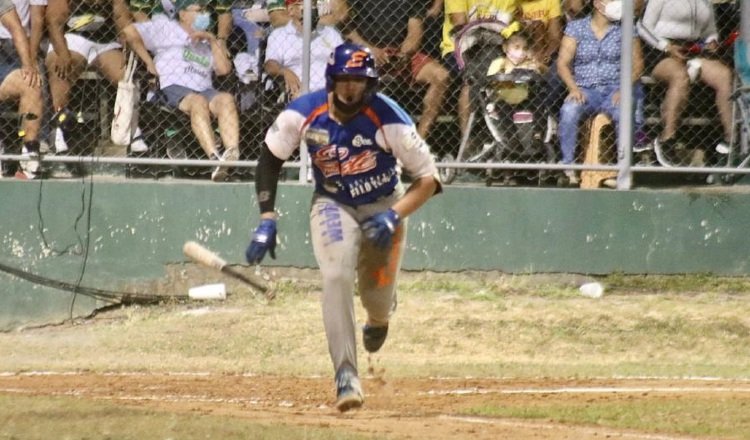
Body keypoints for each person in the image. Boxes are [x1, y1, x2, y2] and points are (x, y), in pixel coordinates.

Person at [245, 43, 441, 412]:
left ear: (371, 84)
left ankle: (380, 315)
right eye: (345, 79)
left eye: (360, 80)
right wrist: (267, 217)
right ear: (331, 80)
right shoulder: (302, 113)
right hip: (332, 203)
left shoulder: (390, 118)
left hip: (384, 204)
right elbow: (269, 160)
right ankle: (346, 374)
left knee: (376, 299)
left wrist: (395, 214)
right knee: (335, 275)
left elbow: (428, 179)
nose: (352, 88)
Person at [122, 0, 241, 181]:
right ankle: (214, 158)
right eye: (199, 10)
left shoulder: (207, 41)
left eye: (205, 11)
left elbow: (224, 70)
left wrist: (211, 39)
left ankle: (232, 155)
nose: (205, 15)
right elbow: (129, 32)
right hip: (173, 87)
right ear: (183, 14)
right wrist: (148, 62)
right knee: (197, 102)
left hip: (204, 89)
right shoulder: (166, 29)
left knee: (226, 99)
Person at [45, 0, 150, 155]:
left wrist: (125, 39)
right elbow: (54, 22)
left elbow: (121, 17)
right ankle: (59, 128)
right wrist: (62, 52)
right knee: (59, 68)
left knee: (127, 75)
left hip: (104, 40)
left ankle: (132, 129)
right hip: (72, 37)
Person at [556, 0, 643, 183]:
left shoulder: (626, 29)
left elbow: (637, 65)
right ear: (598, 3)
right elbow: (563, 63)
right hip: (586, 90)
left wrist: (623, 88)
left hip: (615, 89)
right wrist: (573, 88)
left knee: (624, 111)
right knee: (569, 110)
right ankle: (568, 168)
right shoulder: (576, 28)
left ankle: (623, 169)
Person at [636, 0, 734, 156]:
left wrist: (711, 42)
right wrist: (666, 46)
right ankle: (667, 139)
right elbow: (643, 27)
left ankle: (732, 139)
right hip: (661, 48)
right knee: (679, 76)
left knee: (724, 75)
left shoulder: (704, 2)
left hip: (693, 48)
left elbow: (710, 30)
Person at [344, 0, 449, 140]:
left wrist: (403, 55)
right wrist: (369, 49)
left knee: (441, 76)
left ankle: (417, 143)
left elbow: (415, 32)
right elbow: (345, 27)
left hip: (399, 53)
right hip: (364, 50)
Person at [440, 0, 519, 137]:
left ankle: (505, 137)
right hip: (461, 47)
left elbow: (515, 25)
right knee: (474, 77)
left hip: (498, 47)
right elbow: (461, 25)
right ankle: (468, 141)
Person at [264, 0, 343, 99]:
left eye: (314, 5)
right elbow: (270, 65)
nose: (312, 9)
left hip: (330, 91)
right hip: (299, 92)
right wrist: (284, 71)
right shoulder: (279, 35)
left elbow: (343, 61)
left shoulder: (330, 33)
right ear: (291, 10)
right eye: (306, 5)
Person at [0, 0, 42, 179]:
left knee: (30, 83)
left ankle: (29, 156)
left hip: (4, 58)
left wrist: (28, 63)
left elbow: (17, 28)